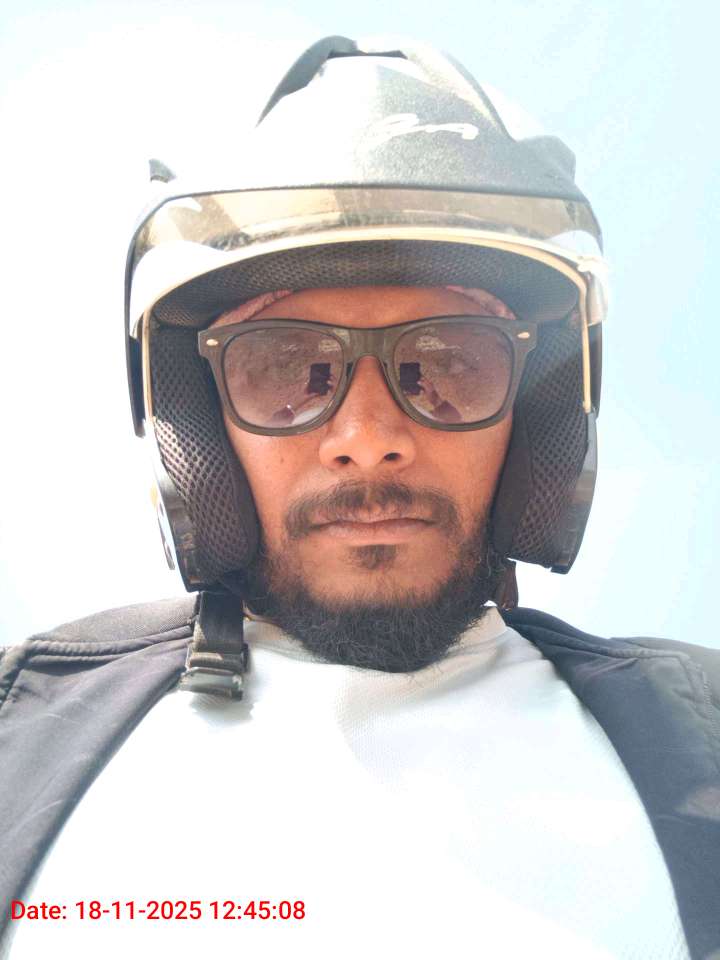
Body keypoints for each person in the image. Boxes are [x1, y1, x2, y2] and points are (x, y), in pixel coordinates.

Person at [2, 34, 719, 960]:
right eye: (285, 367)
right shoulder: (20, 735)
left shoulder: (703, 736)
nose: (369, 436)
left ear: (538, 414)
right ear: (198, 422)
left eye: (448, 362)